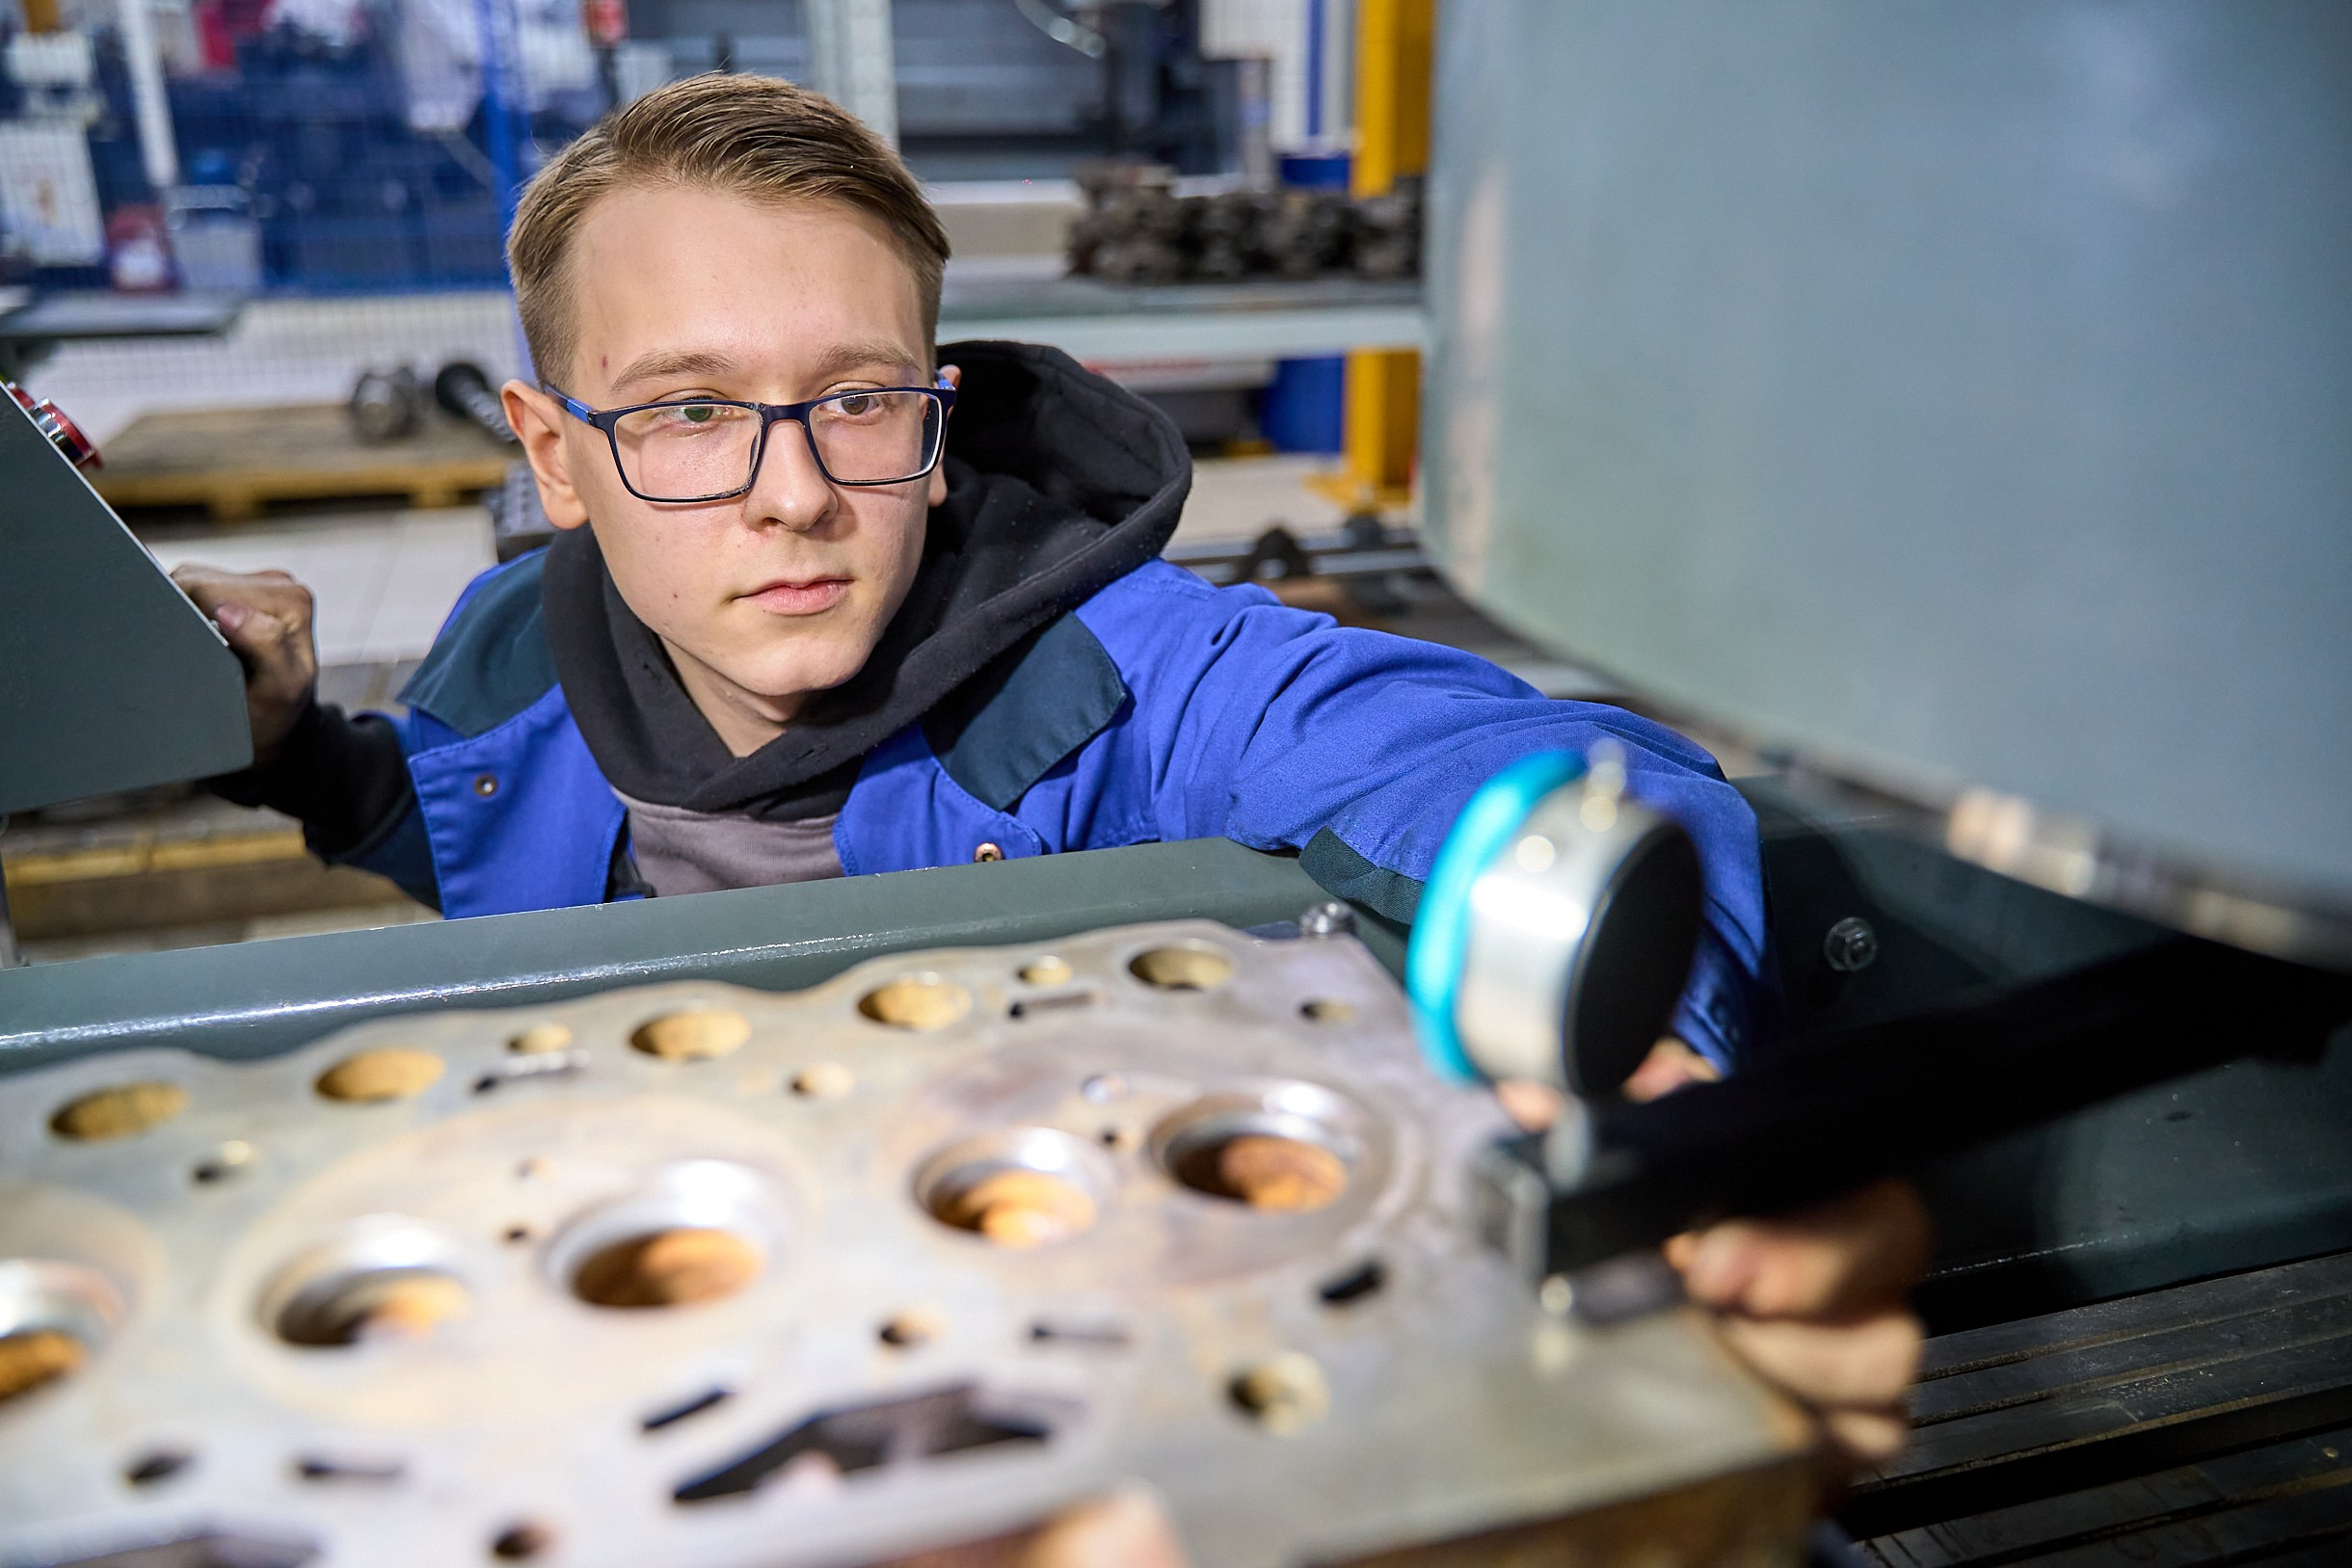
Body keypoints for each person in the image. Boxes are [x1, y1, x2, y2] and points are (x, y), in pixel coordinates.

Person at [171, 73, 1924, 1521]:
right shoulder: (518, 656)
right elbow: (479, 820)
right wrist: (304, 757)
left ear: (934, 418)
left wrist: (1622, 1065)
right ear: (556, 457)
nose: (792, 497)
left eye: (856, 401)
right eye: (691, 412)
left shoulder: (1123, 680)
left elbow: (1574, 789)